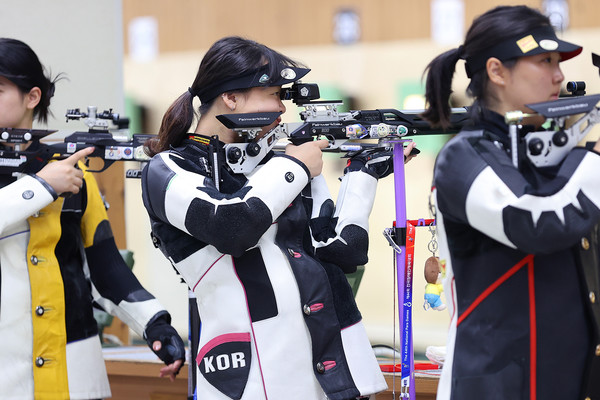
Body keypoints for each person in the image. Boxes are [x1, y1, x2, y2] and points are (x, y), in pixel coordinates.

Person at [141, 36, 417, 400]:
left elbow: (343, 253)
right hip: (249, 373)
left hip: (335, 371)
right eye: (273, 94)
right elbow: (232, 227)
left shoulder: (279, 163)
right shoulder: (169, 169)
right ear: (231, 98)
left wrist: (361, 176)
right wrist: (295, 166)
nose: (282, 109)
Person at [422, 5, 600, 400]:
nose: (559, 76)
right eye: (544, 61)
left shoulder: (550, 154)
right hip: (499, 384)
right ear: (497, 71)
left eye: (559, 62)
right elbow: (537, 223)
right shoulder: (463, 157)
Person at [0, 37, 185, 399]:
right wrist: (41, 187)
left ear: (32, 97)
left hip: (75, 373)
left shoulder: (72, 171)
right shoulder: (56, 177)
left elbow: (105, 266)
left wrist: (155, 325)